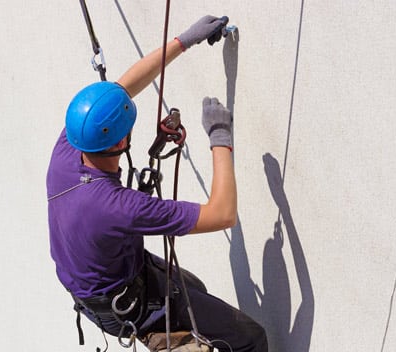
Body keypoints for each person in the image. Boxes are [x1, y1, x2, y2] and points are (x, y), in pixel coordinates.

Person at [47, 15, 267, 352]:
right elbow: (223, 215)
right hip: (124, 304)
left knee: (196, 289)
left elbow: (122, 88)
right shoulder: (117, 206)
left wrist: (183, 41)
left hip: (100, 283)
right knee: (249, 337)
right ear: (122, 142)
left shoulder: (71, 144)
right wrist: (220, 136)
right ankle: (159, 331)